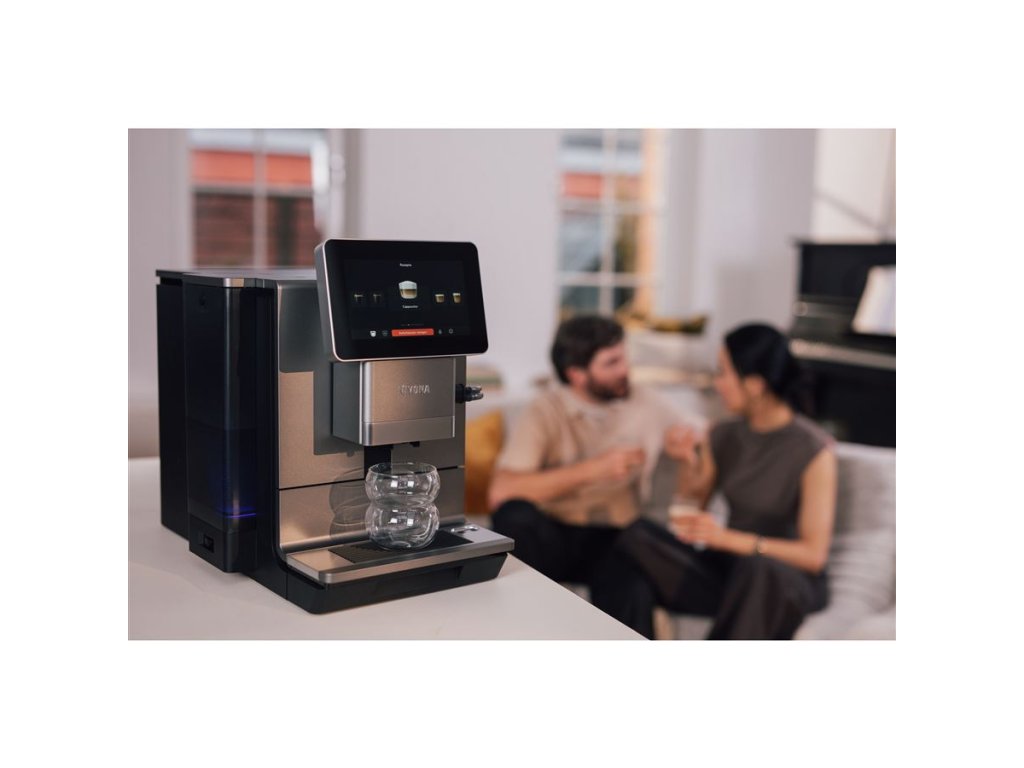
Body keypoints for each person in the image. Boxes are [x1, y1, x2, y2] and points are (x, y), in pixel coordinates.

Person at [591, 323, 837, 639]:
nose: (716, 383)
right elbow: (689, 514)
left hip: (783, 575)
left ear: (754, 384)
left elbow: (814, 556)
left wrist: (728, 540)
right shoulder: (724, 433)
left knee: (757, 569)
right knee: (633, 539)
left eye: (723, 373)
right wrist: (687, 462)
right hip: (730, 569)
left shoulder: (814, 449)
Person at [488, 315, 696, 599]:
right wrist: (595, 470)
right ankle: (530, 615)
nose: (625, 370)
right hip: (555, 533)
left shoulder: (646, 401)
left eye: (624, 358)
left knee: (634, 574)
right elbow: (502, 492)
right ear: (577, 374)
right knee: (515, 515)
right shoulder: (545, 409)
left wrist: (683, 443)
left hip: (615, 538)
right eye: (612, 363)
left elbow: (699, 434)